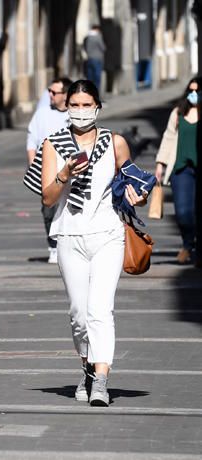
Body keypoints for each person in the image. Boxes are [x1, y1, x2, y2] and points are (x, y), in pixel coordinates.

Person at [41, 80, 147, 406]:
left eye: (87, 105)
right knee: (79, 315)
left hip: (108, 234)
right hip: (69, 235)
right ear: (66, 107)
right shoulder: (54, 144)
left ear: (98, 107)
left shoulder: (115, 143)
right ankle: (87, 367)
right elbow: (47, 198)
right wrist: (65, 173)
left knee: (101, 310)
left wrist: (138, 197)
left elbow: (134, 187)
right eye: (75, 104)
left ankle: (101, 379)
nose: (81, 111)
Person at [26, 77, 73, 263]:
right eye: (49, 91)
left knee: (70, 209)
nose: (50, 95)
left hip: (71, 171)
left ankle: (67, 245)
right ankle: (53, 246)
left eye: (54, 92)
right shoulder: (42, 114)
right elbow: (32, 141)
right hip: (48, 170)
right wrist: (32, 165)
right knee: (48, 209)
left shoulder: (74, 114)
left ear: (66, 95)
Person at [155, 77, 199, 264]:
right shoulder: (178, 112)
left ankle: (197, 251)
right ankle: (187, 244)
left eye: (198, 91)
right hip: (181, 168)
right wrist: (160, 165)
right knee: (182, 212)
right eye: (191, 90)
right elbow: (168, 137)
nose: (194, 95)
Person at [83, 25, 105, 91]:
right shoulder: (98, 37)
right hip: (97, 58)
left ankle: (89, 91)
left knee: (89, 76)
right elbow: (103, 47)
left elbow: (85, 47)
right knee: (97, 77)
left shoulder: (87, 37)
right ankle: (96, 91)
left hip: (89, 58)